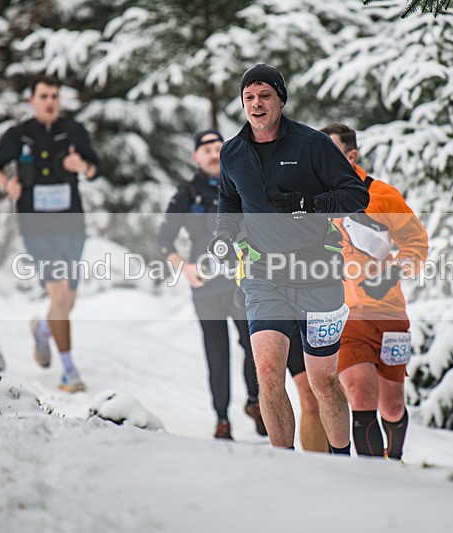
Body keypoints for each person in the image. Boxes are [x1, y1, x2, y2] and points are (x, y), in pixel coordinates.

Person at [210, 64, 369, 453]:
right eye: (249, 97)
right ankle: (281, 466)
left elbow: (356, 196)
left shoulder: (313, 145)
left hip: (317, 272)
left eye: (265, 95)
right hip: (265, 275)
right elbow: (229, 200)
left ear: (280, 99)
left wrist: (308, 203)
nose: (256, 104)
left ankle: (340, 458)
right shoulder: (232, 152)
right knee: (267, 373)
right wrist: (224, 236)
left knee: (322, 382)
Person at [0, 74, 101, 394]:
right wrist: (6, 184)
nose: (50, 101)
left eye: (54, 96)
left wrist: (83, 166)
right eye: (44, 96)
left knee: (68, 301)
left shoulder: (73, 131)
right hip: (36, 226)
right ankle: (68, 371)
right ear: (32, 101)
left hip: (71, 225)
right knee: (60, 295)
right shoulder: (18, 135)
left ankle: (42, 330)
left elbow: (95, 167)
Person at [320, 123, 428, 460]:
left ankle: (393, 463)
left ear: (351, 156)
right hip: (346, 316)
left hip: (390, 314)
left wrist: (393, 271)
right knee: (361, 394)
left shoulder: (383, 195)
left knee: (393, 404)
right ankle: (374, 479)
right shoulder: (316, 201)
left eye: (331, 153)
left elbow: (417, 245)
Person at [157, 129, 265, 440]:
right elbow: (164, 239)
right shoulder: (186, 194)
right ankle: (222, 419)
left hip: (243, 282)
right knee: (217, 354)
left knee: (254, 345)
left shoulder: (243, 184)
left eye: (218, 147)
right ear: (195, 157)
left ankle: (256, 402)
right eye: (205, 149)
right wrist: (184, 267)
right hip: (205, 288)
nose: (212, 152)